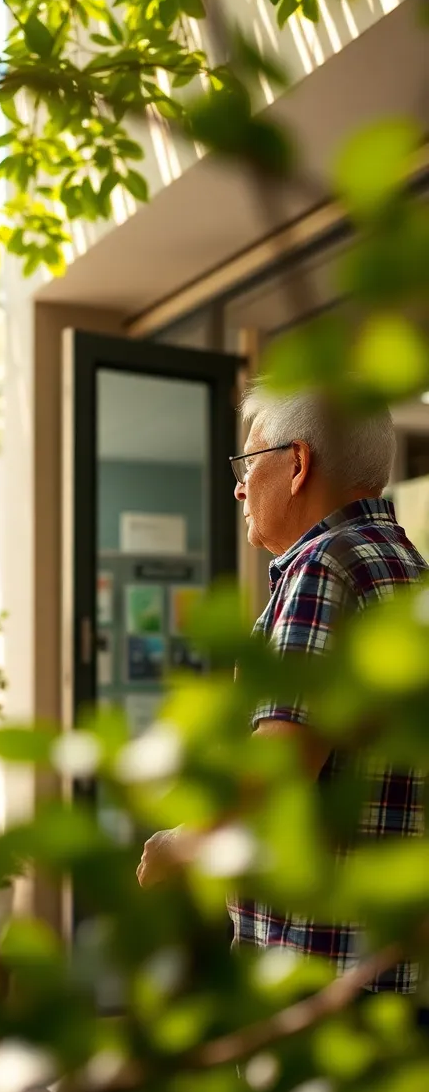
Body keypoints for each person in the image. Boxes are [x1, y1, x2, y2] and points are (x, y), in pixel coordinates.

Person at [138, 381, 427, 1000]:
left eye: (247, 463)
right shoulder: (410, 574)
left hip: (318, 990)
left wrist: (180, 846)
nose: (238, 487)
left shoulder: (322, 566)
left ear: (297, 466)